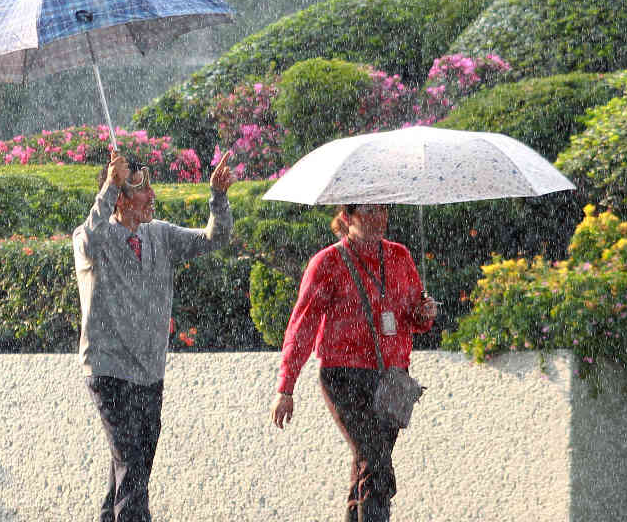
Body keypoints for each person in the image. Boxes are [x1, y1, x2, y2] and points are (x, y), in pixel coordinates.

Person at [73, 149, 234, 522]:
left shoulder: (159, 234)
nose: (152, 196)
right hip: (109, 370)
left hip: (149, 373)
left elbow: (214, 239)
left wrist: (218, 197)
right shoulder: (92, 237)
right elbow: (88, 241)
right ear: (121, 198)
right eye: (143, 189)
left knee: (130, 469)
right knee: (132, 465)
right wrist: (110, 187)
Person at [270, 203, 438, 522]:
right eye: (369, 211)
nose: (380, 218)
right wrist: (286, 387)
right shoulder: (329, 262)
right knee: (377, 464)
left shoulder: (399, 256)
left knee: (368, 467)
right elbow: (302, 325)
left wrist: (423, 313)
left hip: (393, 378)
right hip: (344, 376)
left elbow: (415, 317)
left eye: (383, 210)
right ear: (346, 218)